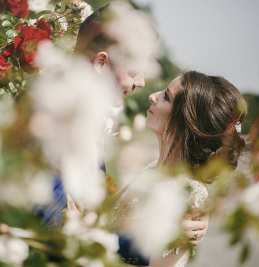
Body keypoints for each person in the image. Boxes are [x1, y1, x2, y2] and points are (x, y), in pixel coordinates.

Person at [36, 3, 208, 265]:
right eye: (135, 69)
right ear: (101, 62)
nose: (141, 83)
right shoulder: (50, 115)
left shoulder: (88, 119)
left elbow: (90, 211)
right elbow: (51, 214)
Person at [105, 71, 247, 266]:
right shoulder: (151, 171)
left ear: (186, 122)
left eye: (166, 97)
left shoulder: (190, 194)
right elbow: (100, 214)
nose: (152, 96)